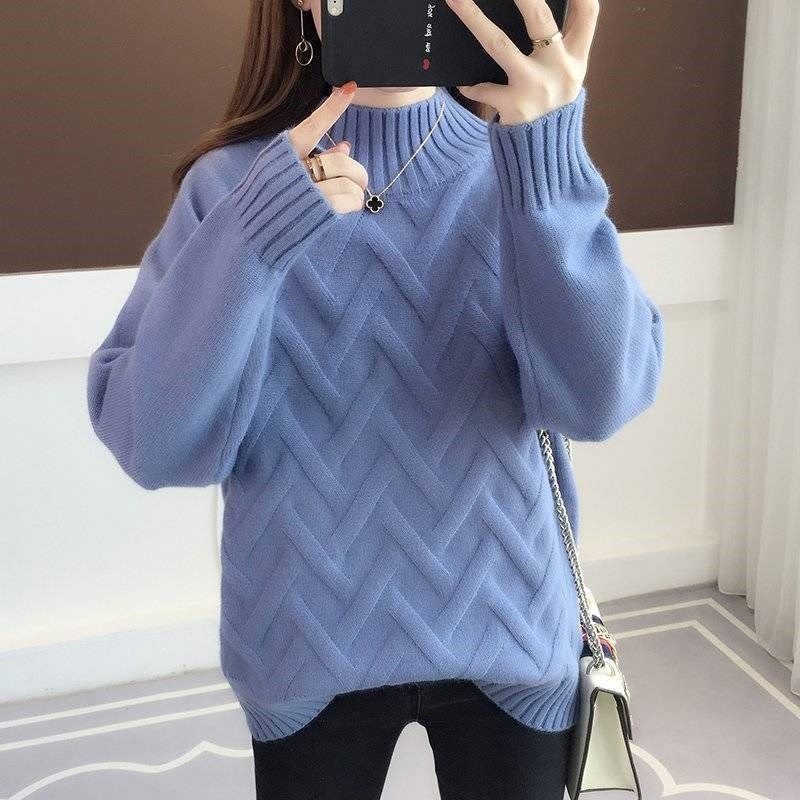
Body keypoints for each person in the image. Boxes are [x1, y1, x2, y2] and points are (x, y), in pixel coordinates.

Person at [86, 0, 664, 797]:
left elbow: (602, 402)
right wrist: (257, 235)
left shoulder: (523, 163)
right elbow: (153, 444)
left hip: (512, 631)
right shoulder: (235, 189)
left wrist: (548, 159)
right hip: (302, 643)